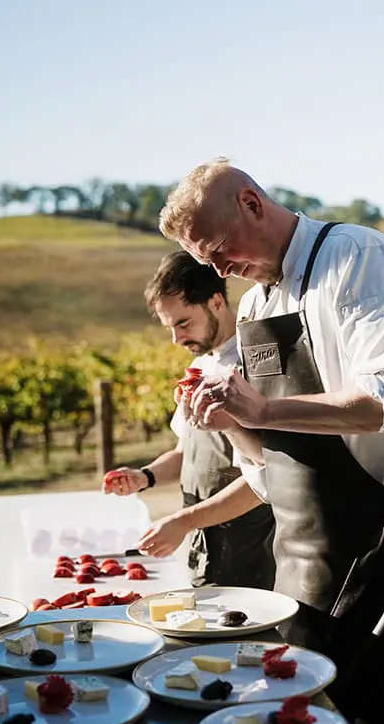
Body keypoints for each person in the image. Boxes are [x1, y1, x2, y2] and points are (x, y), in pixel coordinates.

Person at [156, 156, 384, 724]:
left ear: (253, 204)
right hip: (303, 574)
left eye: (216, 249)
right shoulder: (261, 301)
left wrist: (260, 406)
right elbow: (275, 462)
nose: (214, 270)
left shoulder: (356, 257)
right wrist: (230, 418)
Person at [102, 250, 275, 589]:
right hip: (207, 547)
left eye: (183, 323)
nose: (176, 339)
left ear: (215, 303)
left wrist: (182, 521)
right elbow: (188, 452)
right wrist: (144, 476)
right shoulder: (199, 367)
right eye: (170, 328)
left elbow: (266, 478)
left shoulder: (254, 367)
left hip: (252, 554)